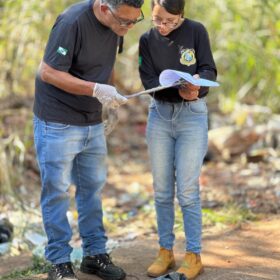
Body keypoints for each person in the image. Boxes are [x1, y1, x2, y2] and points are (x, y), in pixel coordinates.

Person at [33, 0, 144, 279]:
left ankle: (95, 255)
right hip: (57, 119)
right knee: (57, 192)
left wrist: (109, 95)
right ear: (105, 8)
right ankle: (59, 261)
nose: (128, 28)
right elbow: (47, 71)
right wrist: (96, 89)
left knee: (91, 189)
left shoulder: (117, 25)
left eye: (134, 22)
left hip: (91, 121)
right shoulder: (72, 22)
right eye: (124, 22)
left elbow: (107, 64)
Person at [138, 0, 217, 279]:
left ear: (181, 16)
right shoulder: (147, 39)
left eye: (170, 21)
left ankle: (193, 255)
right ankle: (165, 251)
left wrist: (196, 87)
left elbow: (209, 69)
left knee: (186, 190)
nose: (162, 26)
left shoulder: (196, 31)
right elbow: (147, 79)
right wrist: (173, 91)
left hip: (191, 117)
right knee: (161, 190)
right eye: (157, 20)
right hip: (160, 116)